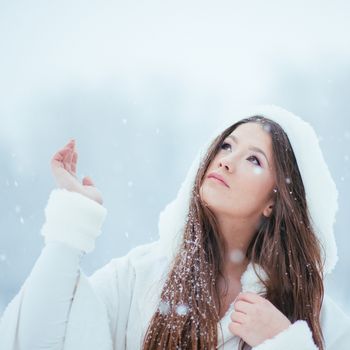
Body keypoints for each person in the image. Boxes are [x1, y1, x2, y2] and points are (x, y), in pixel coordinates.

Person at [0, 104, 349, 350]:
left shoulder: (312, 314)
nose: (226, 161)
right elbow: (36, 339)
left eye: (253, 159)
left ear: (274, 200)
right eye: (226, 146)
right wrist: (71, 226)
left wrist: (285, 344)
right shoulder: (141, 276)